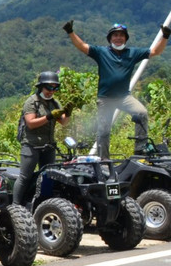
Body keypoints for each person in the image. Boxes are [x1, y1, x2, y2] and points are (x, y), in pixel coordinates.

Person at [63, 20, 169, 157]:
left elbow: (156, 51)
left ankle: (140, 149)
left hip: (124, 97)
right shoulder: (101, 52)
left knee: (141, 112)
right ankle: (103, 161)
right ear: (110, 38)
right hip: (106, 99)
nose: (118, 38)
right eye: (115, 35)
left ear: (125, 38)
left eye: (121, 35)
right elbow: (82, 46)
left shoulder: (132, 53)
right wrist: (70, 32)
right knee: (103, 131)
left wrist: (165, 36)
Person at [14, 70, 70, 208]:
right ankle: (15, 206)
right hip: (31, 145)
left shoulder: (54, 103)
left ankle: (44, 205)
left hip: (48, 145)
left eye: (55, 88)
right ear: (41, 86)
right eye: (49, 87)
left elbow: (64, 122)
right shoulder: (32, 102)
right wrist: (49, 116)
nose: (51, 91)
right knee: (25, 176)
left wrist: (68, 113)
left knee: (49, 177)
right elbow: (31, 123)